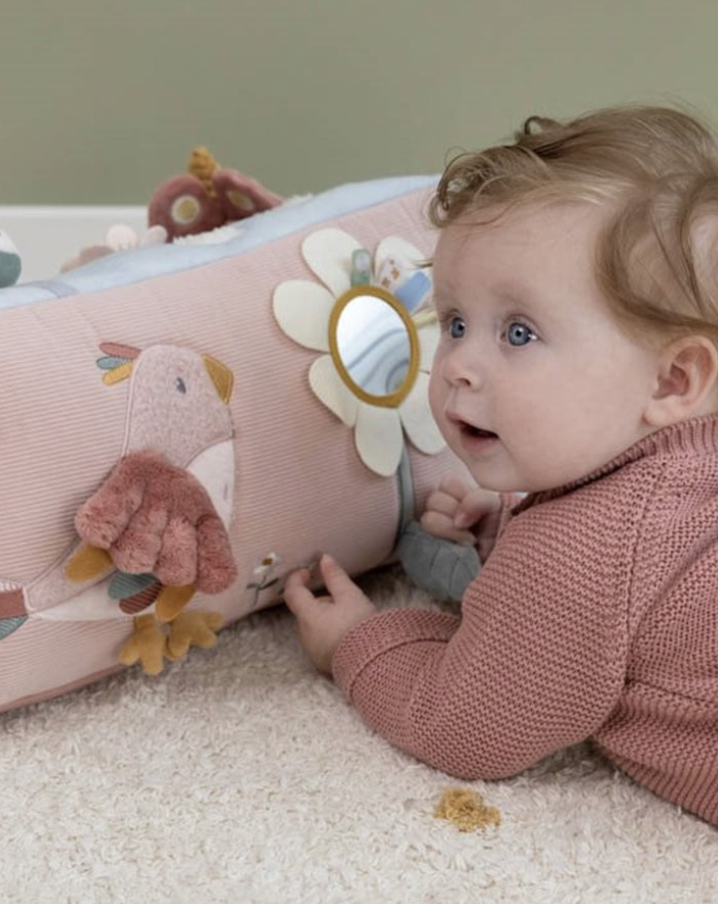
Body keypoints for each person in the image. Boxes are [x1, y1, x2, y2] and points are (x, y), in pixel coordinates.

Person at [284, 105, 718, 826]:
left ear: (672, 381)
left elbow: (464, 728)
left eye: (518, 332)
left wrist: (356, 644)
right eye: (454, 323)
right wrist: (511, 528)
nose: (457, 364)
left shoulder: (576, 557)